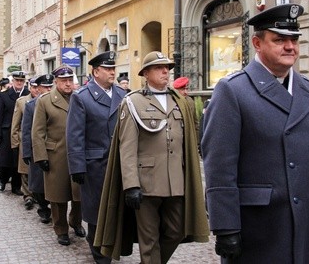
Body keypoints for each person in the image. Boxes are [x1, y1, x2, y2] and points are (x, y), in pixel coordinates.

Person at [202, 4, 309, 263]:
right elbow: (219, 166)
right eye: (279, 40)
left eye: (294, 39)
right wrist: (226, 227)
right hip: (262, 226)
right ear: (257, 43)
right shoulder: (233, 91)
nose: (290, 46)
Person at [95, 51, 209, 263]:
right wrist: (131, 185)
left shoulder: (179, 101)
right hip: (145, 183)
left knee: (176, 230)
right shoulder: (133, 102)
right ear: (146, 73)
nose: (166, 71)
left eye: (167, 67)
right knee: (149, 240)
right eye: (159, 67)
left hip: (176, 181)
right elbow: (127, 147)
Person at [66, 51, 126, 263]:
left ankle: (113, 246)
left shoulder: (122, 95)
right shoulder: (81, 97)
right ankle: (100, 255)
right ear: (95, 72)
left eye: (113, 68)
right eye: (108, 69)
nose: (112, 72)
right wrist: (77, 167)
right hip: (95, 166)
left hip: (118, 163)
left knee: (116, 209)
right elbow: (74, 135)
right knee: (96, 214)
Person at [32, 65, 84, 246]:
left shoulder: (80, 98)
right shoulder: (45, 101)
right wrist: (41, 156)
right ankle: (61, 229)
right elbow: (37, 131)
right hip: (55, 155)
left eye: (70, 80)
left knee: (79, 194)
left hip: (77, 153)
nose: (68, 84)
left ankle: (76, 222)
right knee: (58, 196)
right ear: (56, 82)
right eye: (64, 81)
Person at [22, 74, 54, 224]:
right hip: (37, 149)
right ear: (38, 88)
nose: (48, 89)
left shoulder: (57, 102)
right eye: (45, 87)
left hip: (55, 149)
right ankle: (43, 207)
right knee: (38, 183)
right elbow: (27, 130)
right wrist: (27, 152)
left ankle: (54, 206)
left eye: (50, 86)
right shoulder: (31, 105)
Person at [0, 71, 29, 194]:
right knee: (4, 160)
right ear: (13, 81)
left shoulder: (28, 94)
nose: (19, 83)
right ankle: (2, 180)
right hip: (6, 131)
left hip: (21, 131)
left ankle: (16, 186)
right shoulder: (4, 95)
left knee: (18, 161)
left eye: (21, 81)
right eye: (17, 80)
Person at [11, 77, 39, 210]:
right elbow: (15, 124)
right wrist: (15, 143)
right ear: (30, 88)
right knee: (25, 169)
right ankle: (27, 196)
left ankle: (38, 194)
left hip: (40, 140)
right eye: (33, 87)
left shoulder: (45, 100)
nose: (36, 90)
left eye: (38, 87)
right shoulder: (22, 102)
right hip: (25, 140)